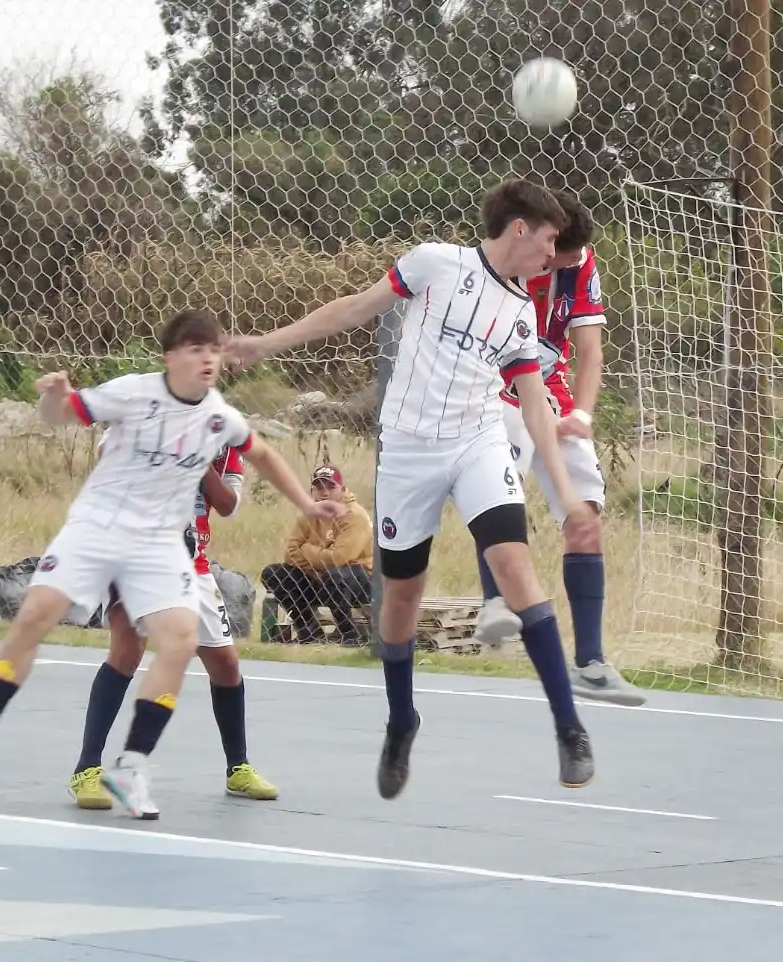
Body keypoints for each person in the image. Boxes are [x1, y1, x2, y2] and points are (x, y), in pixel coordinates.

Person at [226, 178, 599, 798]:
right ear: (518, 229)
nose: (552, 255)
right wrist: (264, 343)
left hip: (478, 443)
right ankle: (401, 721)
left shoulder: (521, 312)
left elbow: (535, 407)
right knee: (399, 599)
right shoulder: (435, 264)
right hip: (409, 451)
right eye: (549, 240)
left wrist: (569, 498)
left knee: (514, 566)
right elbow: (350, 308)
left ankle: (569, 728)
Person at [0, 308, 343, 820]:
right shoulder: (134, 393)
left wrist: (308, 506)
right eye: (196, 349)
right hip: (100, 527)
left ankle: (133, 766)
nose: (208, 359)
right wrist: (52, 394)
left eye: (214, 350)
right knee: (40, 616)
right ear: (171, 357)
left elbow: (261, 458)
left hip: (163, 546)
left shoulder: (219, 419)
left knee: (184, 643)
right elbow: (60, 415)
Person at [469, 190, 644, 707]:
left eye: (564, 257)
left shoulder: (580, 263)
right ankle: (495, 601)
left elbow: (590, 349)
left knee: (586, 518)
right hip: (494, 390)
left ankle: (591, 663)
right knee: (502, 494)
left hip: (553, 392)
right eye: (554, 253)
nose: (557, 263)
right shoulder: (498, 267)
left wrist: (582, 415)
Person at [68, 442, 280, 812]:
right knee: (126, 652)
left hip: (191, 562)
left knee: (226, 665)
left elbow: (228, 504)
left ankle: (238, 767)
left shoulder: (225, 437)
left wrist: (198, 461)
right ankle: (86, 769)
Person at [261, 463, 374, 645]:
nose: (325, 492)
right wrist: (323, 557)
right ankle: (310, 632)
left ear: (343, 489)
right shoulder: (308, 515)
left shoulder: (354, 516)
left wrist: (307, 550)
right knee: (274, 573)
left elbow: (340, 559)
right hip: (320, 579)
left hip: (359, 582)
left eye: (331, 487)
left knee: (335, 576)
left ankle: (351, 635)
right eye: (319, 487)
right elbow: (290, 555)